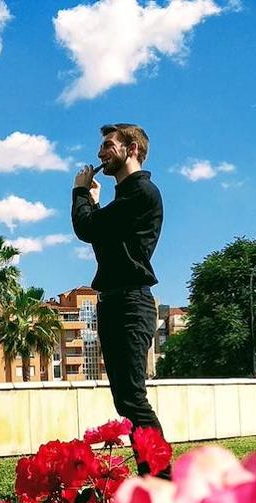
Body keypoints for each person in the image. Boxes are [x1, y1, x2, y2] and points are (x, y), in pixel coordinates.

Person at [71, 123, 169, 474]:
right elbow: (105, 244)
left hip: (131, 303)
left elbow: (87, 229)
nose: (100, 153)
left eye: (108, 145)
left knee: (132, 398)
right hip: (114, 302)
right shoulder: (125, 198)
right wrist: (95, 206)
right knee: (126, 399)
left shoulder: (142, 192)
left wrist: (80, 193)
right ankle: (154, 478)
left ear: (132, 148)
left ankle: (160, 479)